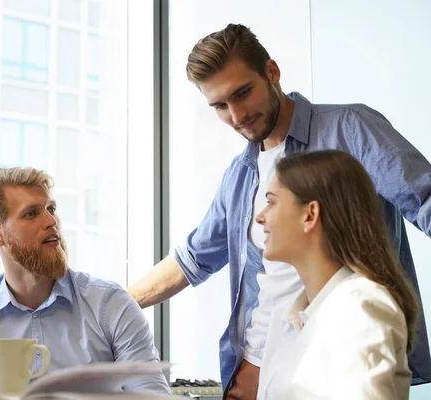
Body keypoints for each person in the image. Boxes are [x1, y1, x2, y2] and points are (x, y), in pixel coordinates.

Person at [127, 23, 431, 399]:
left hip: (329, 356)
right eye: (220, 105)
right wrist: (113, 306)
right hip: (258, 365)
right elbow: (192, 259)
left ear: (272, 73)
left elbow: (426, 198)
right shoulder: (240, 176)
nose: (236, 115)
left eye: (242, 93)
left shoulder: (349, 129)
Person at [0, 167, 170, 394]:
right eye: (31, 213)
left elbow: (151, 395)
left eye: (51, 209)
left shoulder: (111, 304)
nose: (51, 221)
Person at [255, 150, 417, 399]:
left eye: (272, 201)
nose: (260, 217)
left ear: (310, 214)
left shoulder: (361, 306)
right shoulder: (288, 315)